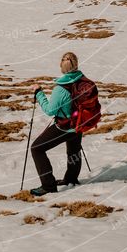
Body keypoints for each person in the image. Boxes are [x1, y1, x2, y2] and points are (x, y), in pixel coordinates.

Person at [29, 51, 84, 196]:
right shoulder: (83, 81)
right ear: (76, 64)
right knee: (74, 150)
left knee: (37, 149)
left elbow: (49, 110)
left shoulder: (61, 89)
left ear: (62, 67)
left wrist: (39, 93)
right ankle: (71, 179)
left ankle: (48, 186)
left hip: (65, 126)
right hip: (79, 123)